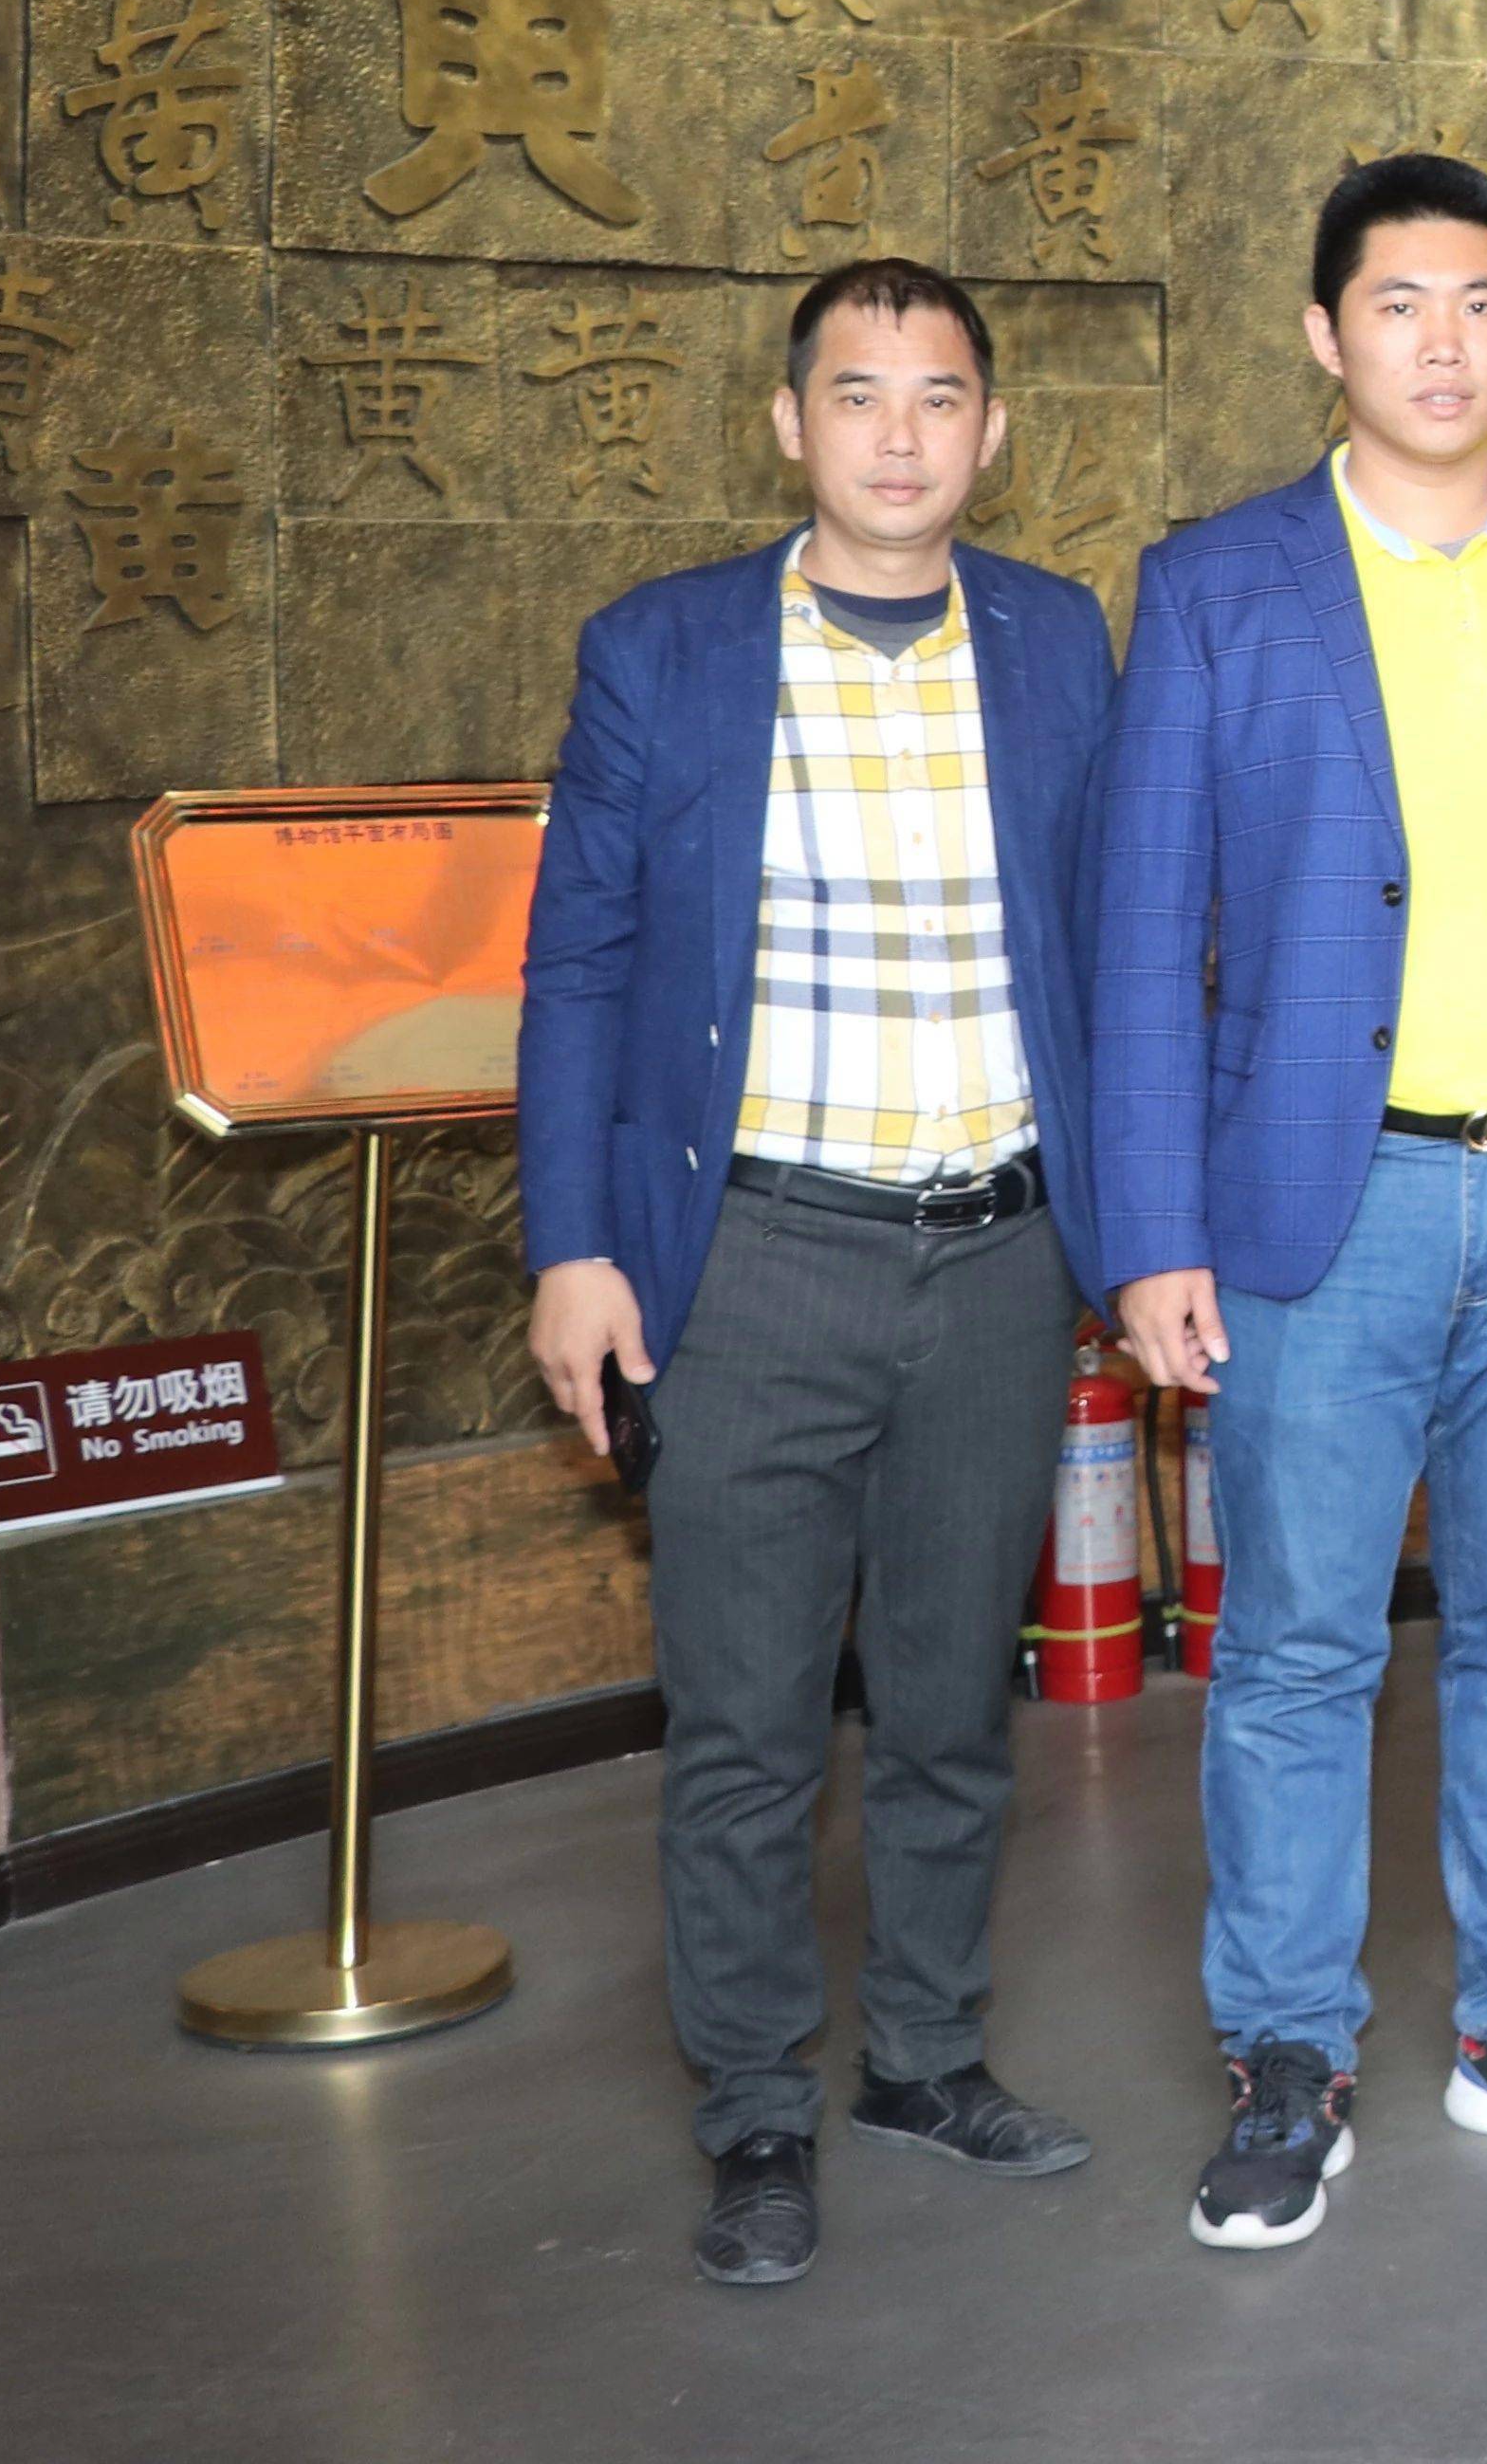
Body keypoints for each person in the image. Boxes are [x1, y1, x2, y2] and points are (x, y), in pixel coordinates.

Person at [1089, 153, 1487, 2250]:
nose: (1444, 342)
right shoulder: (1219, 580)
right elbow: (1145, 922)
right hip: (1313, 1210)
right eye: (1400, 304)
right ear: (1325, 335)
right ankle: (1290, 2047)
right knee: (1296, 1650)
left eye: (1481, 302)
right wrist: (1153, 1232)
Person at [516, 259, 1119, 2288]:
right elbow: (580, 962)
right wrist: (576, 1245)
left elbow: (1110, 942)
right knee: (751, 1720)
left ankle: (928, 2052)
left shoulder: (1055, 638)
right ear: (789, 422)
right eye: (855, 394)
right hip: (752, 1255)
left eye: (938, 397)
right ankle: (759, 2101)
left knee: (956, 1698)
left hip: (998, 1252)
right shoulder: (665, 649)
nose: (896, 433)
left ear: (990, 431)